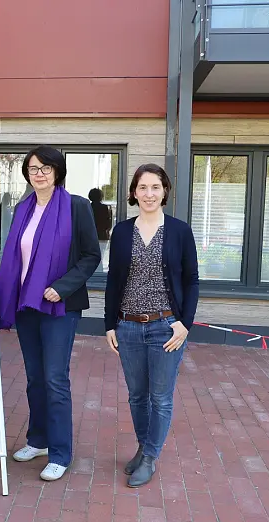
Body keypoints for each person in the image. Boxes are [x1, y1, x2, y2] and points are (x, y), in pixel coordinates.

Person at [0, 146, 101, 481]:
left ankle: (60, 453)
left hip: (58, 306)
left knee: (55, 379)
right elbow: (16, 258)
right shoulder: (22, 209)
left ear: (57, 171)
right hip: (27, 304)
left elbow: (90, 256)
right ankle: (38, 440)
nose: (38, 173)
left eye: (45, 168)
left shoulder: (76, 207)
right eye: (32, 168)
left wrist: (63, 286)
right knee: (35, 378)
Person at [104, 163, 199, 488]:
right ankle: (145, 447)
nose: (149, 194)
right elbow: (114, 281)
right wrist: (109, 324)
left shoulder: (179, 231)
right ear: (133, 192)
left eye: (155, 187)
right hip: (128, 326)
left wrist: (184, 324)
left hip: (166, 328)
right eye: (142, 187)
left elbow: (192, 280)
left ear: (165, 191)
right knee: (136, 397)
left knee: (160, 397)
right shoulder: (121, 231)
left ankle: (149, 457)